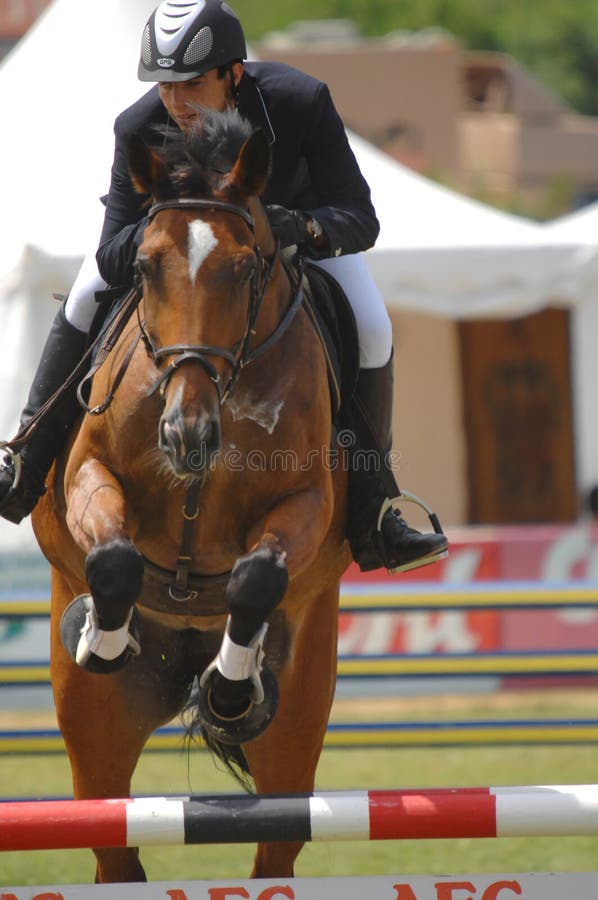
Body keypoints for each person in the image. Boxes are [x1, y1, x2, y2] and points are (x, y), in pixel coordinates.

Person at [0, 0, 447, 574]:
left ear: (233, 72)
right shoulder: (139, 126)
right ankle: (25, 455)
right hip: (180, 260)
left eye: (190, 83)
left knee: (374, 326)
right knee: (85, 294)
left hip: (293, 246)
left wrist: (298, 227)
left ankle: (376, 505)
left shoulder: (299, 101)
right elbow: (112, 249)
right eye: (164, 85)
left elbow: (360, 217)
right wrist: (167, 235)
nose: (176, 101)